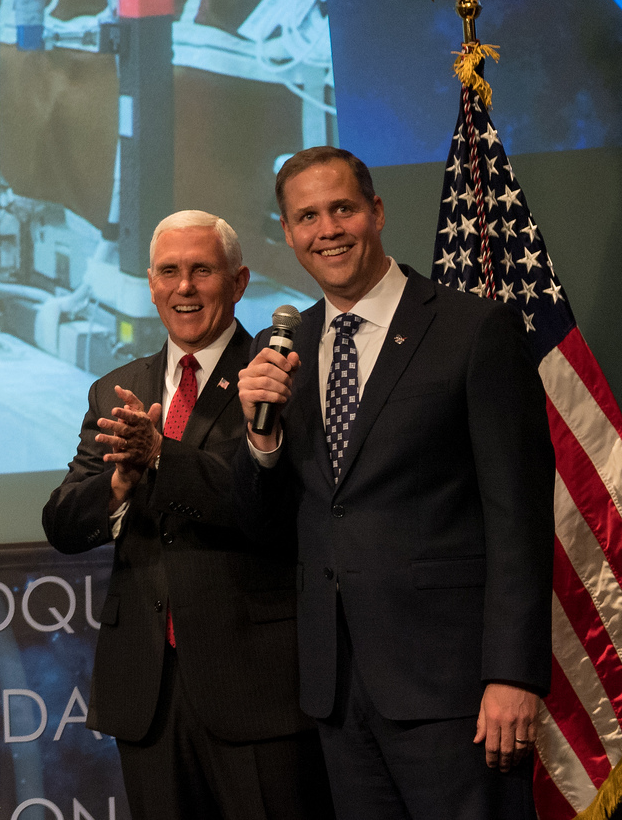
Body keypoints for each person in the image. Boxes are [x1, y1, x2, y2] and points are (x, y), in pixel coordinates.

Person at [235, 147, 552, 819]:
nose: (328, 230)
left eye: (342, 209)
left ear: (375, 212)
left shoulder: (472, 330)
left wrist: (513, 674)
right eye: (307, 217)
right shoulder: (286, 347)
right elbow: (286, 519)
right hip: (337, 692)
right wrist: (261, 441)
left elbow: (519, 517)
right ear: (288, 234)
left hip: (454, 688)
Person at [44, 210, 331, 819]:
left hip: (255, 690)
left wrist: (161, 458)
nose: (185, 287)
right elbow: (64, 524)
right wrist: (119, 483)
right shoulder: (116, 388)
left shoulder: (278, 375)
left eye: (203, 270)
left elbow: (267, 511)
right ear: (150, 283)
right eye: (169, 272)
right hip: (147, 693)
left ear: (239, 281)